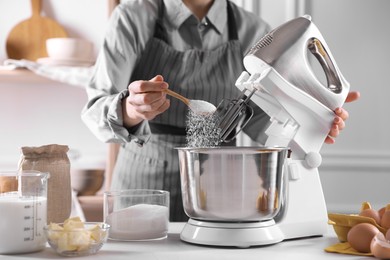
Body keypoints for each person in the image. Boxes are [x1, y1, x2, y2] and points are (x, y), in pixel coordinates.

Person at [81, 0, 360, 221]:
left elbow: (261, 121)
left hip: (221, 183)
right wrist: (130, 108)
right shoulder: (133, 17)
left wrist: (304, 123)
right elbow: (95, 109)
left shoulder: (252, 30)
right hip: (144, 184)